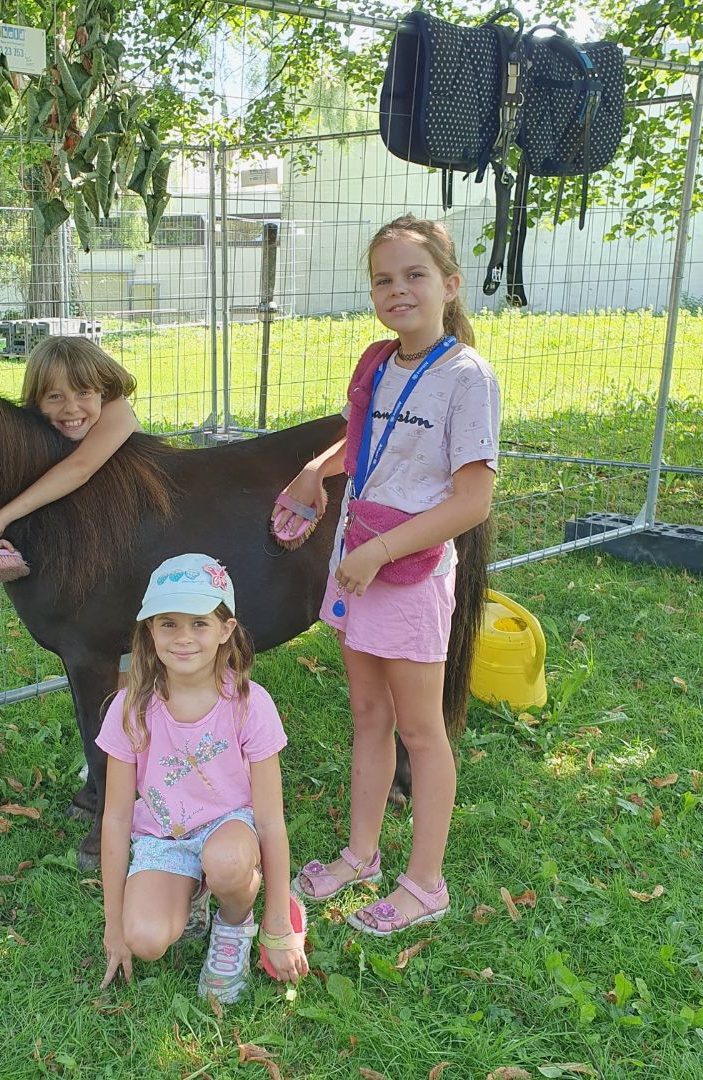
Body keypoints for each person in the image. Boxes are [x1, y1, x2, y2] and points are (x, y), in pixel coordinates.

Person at [276, 214, 501, 935]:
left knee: (420, 733)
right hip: (357, 568)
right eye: (383, 278)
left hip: (406, 578)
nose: (397, 289)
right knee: (367, 718)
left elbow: (473, 500)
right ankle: (361, 854)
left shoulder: (467, 377)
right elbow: (367, 437)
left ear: (450, 284)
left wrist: (378, 552)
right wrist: (317, 470)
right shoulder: (379, 361)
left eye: (414, 275)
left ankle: (425, 883)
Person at [96, 554, 308, 1002]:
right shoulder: (129, 708)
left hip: (228, 828)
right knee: (145, 939)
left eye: (199, 623)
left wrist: (278, 922)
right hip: (164, 837)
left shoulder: (250, 704)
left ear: (225, 631)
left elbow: (270, 821)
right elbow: (116, 819)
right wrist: (114, 926)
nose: (183, 638)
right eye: (168, 623)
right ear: (149, 631)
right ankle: (191, 892)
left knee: (229, 863)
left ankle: (233, 923)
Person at [0, 336, 139, 580]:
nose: (72, 408)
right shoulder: (34, 430)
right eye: (55, 396)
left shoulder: (117, 409)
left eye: (83, 392)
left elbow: (79, 468)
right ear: (36, 403)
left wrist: (1, 519)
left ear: (102, 391)